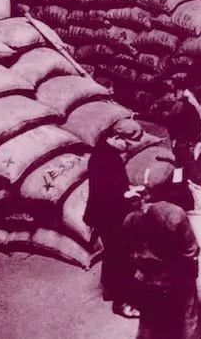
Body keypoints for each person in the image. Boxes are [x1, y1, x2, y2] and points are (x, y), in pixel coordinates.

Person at [124, 197, 201, 339]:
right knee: (186, 319)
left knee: (148, 322)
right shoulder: (175, 214)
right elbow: (191, 251)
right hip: (175, 279)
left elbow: (131, 252)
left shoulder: (132, 218)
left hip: (148, 279)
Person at [83, 127, 139, 318]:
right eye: (126, 143)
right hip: (107, 214)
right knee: (121, 255)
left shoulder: (104, 153)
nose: (128, 147)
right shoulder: (105, 159)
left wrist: (128, 188)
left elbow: (113, 183)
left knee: (111, 251)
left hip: (102, 214)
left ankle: (109, 289)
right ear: (115, 138)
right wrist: (126, 194)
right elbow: (105, 192)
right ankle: (122, 303)